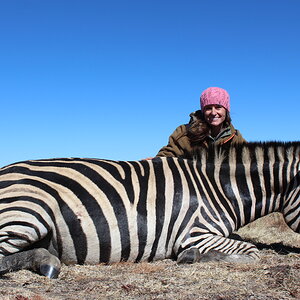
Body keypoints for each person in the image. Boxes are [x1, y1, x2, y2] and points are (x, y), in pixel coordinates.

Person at [156, 87, 246, 158]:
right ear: (203, 111)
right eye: (208, 108)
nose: (213, 113)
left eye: (218, 107)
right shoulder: (184, 132)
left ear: (226, 110)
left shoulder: (236, 138)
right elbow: (166, 155)